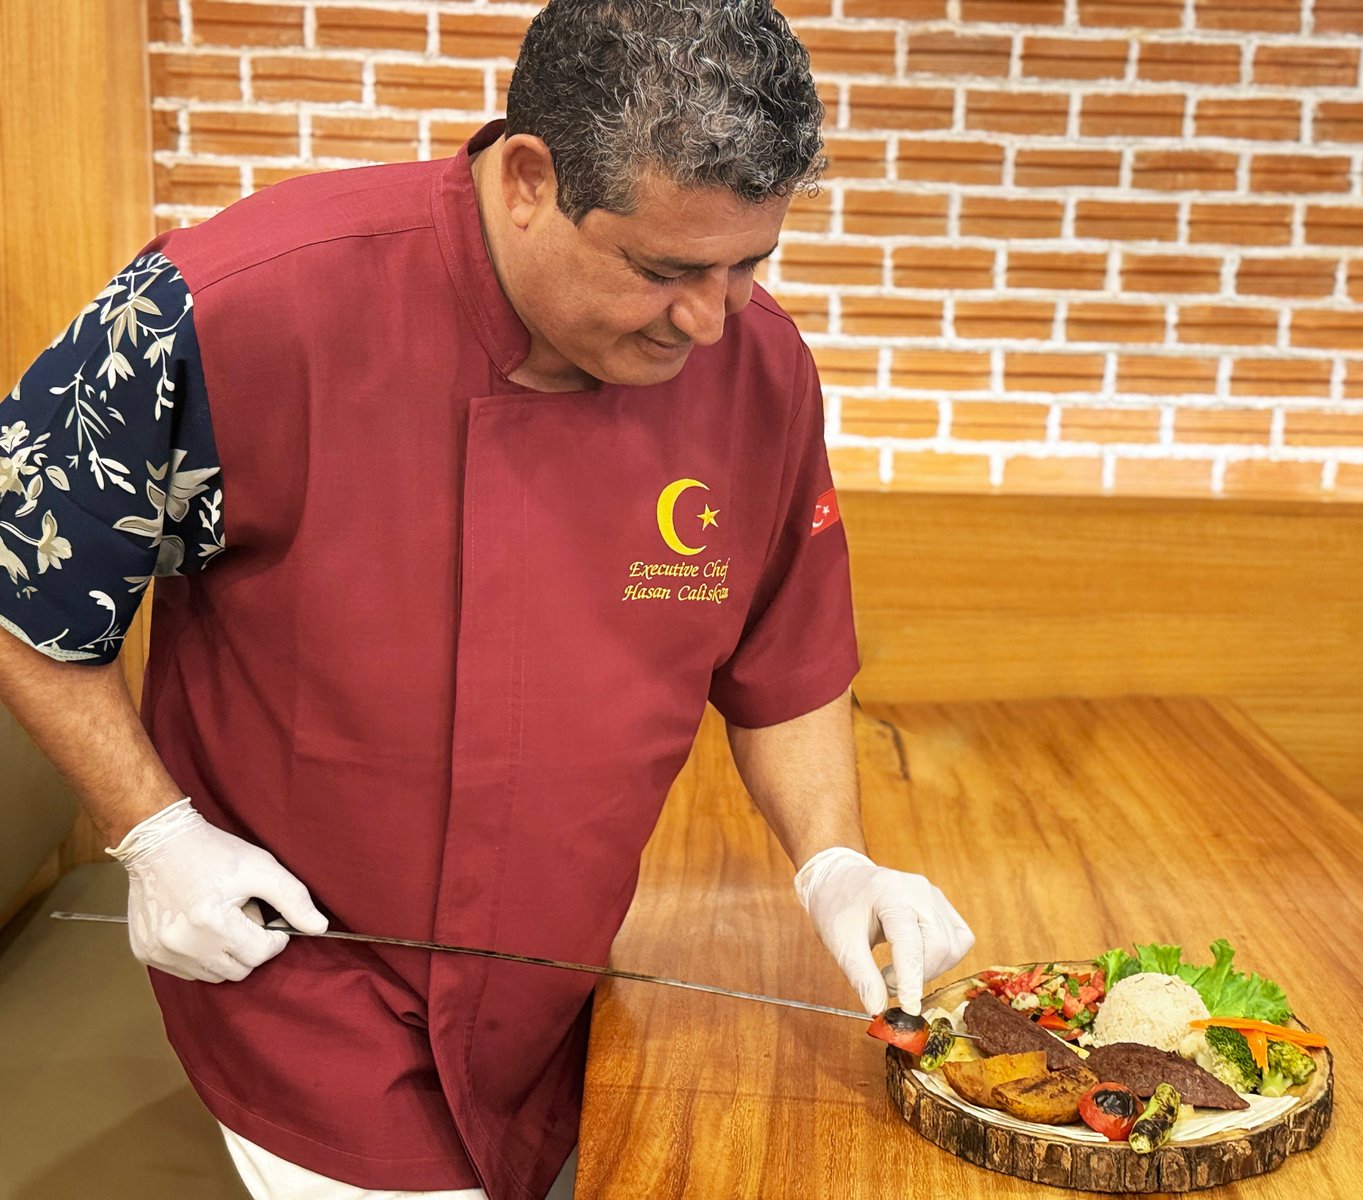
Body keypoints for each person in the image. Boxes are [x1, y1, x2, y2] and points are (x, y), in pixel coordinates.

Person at [0, 2, 974, 1198]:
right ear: (527, 179)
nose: (712, 322)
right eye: (665, 270)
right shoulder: (221, 305)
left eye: (749, 265)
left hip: (561, 987)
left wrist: (835, 862)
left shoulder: (758, 371)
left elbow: (785, 654)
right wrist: (152, 832)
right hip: (299, 975)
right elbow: (22, 574)